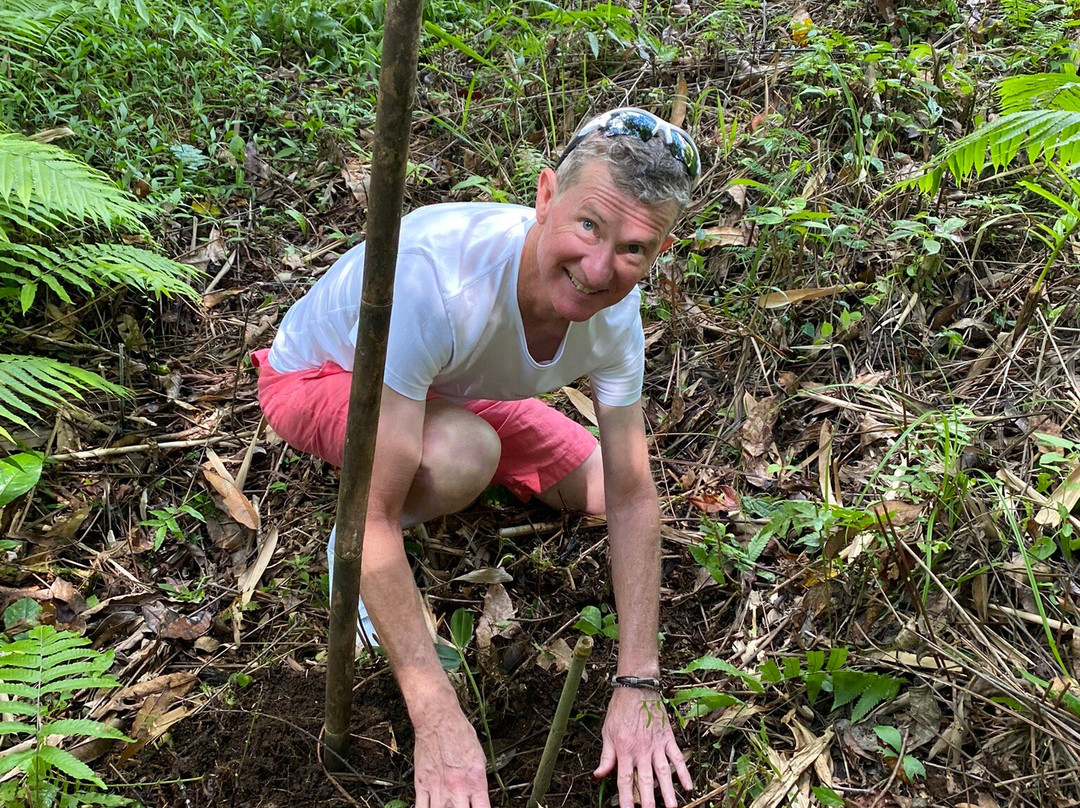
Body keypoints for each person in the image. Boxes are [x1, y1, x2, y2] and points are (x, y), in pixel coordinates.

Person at [253, 107, 701, 808]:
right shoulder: (438, 280)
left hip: (453, 382)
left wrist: (637, 679)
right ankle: (357, 549)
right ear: (546, 196)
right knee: (466, 455)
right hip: (322, 378)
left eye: (634, 249)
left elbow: (631, 493)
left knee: (589, 483)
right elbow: (372, 514)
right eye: (589, 225)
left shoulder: (617, 316)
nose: (598, 268)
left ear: (657, 254)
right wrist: (438, 716)